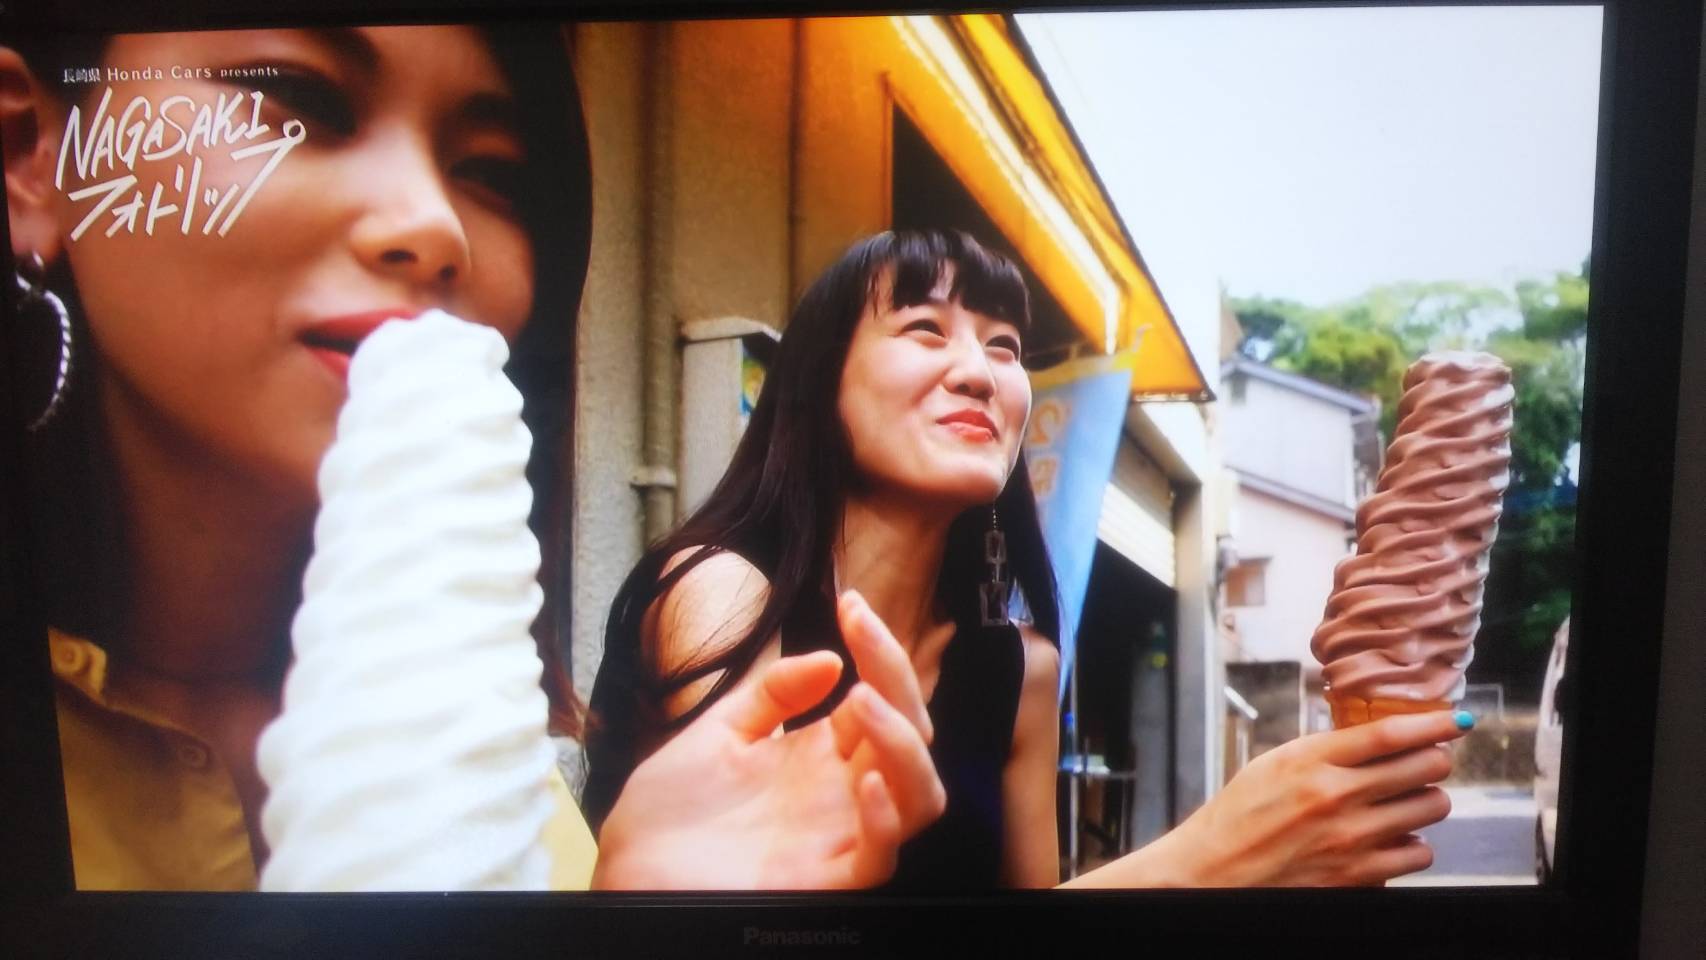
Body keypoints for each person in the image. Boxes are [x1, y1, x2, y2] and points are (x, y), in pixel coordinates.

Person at [2, 24, 943, 892]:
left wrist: (628, 910)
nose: (433, 226)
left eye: (489, 172)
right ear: (31, 157)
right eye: (302, 99)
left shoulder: (472, 723)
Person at [584, 229, 1472, 889]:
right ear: (819, 387)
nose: (979, 372)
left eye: (1003, 346)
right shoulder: (724, 593)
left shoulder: (1024, 672)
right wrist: (1215, 853)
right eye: (925, 328)